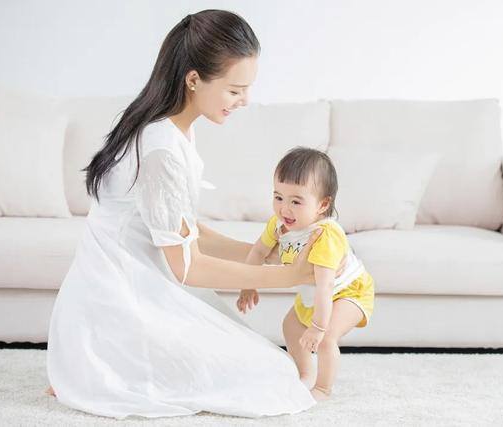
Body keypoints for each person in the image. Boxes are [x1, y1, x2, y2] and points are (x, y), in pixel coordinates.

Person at [45, 10, 336, 419]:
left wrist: (259, 253)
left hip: (125, 288)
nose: (245, 101)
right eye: (235, 90)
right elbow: (188, 268)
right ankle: (93, 365)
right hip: (117, 303)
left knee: (268, 366)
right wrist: (288, 275)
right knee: (272, 379)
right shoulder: (161, 147)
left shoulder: (169, 127)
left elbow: (183, 228)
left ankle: (89, 364)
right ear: (194, 79)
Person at [236, 147, 375, 402]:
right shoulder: (278, 225)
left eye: (296, 202)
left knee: (326, 337)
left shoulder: (324, 235)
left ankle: (323, 388)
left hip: (347, 291)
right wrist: (248, 284)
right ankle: (305, 374)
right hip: (314, 294)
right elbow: (258, 252)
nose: (284, 209)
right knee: (290, 327)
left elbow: (325, 286)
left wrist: (318, 327)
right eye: (278, 197)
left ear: (323, 205)